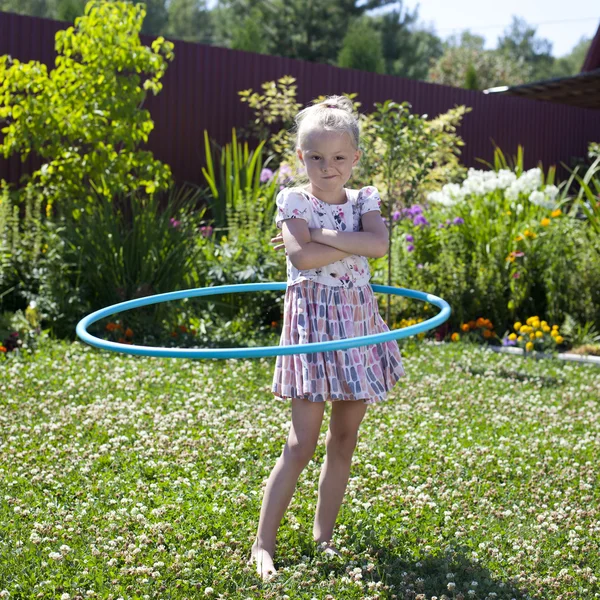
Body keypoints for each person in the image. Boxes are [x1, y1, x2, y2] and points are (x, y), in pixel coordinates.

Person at [249, 95, 405, 580]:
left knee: (345, 437)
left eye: (338, 157)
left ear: (355, 158)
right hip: (313, 329)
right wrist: (337, 241)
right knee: (300, 443)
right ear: (301, 157)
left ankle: (324, 539)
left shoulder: (365, 201)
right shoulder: (293, 199)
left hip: (357, 327)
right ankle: (262, 545)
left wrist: (322, 236)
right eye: (316, 156)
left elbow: (377, 244)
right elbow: (301, 259)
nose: (327, 166)